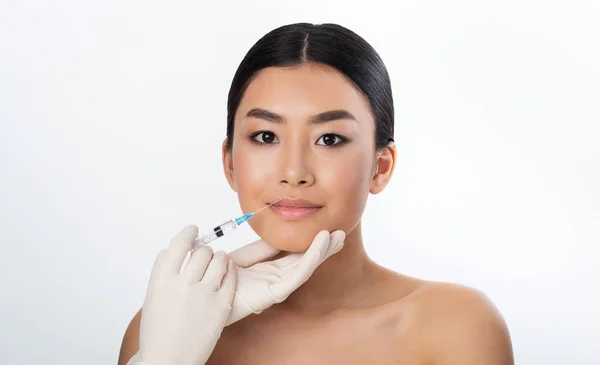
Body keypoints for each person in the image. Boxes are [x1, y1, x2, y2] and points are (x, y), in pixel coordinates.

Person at [119, 23, 514, 365]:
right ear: (230, 163)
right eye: (266, 136)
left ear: (381, 167)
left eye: (329, 138)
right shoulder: (167, 328)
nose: (294, 173)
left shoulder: (455, 327)